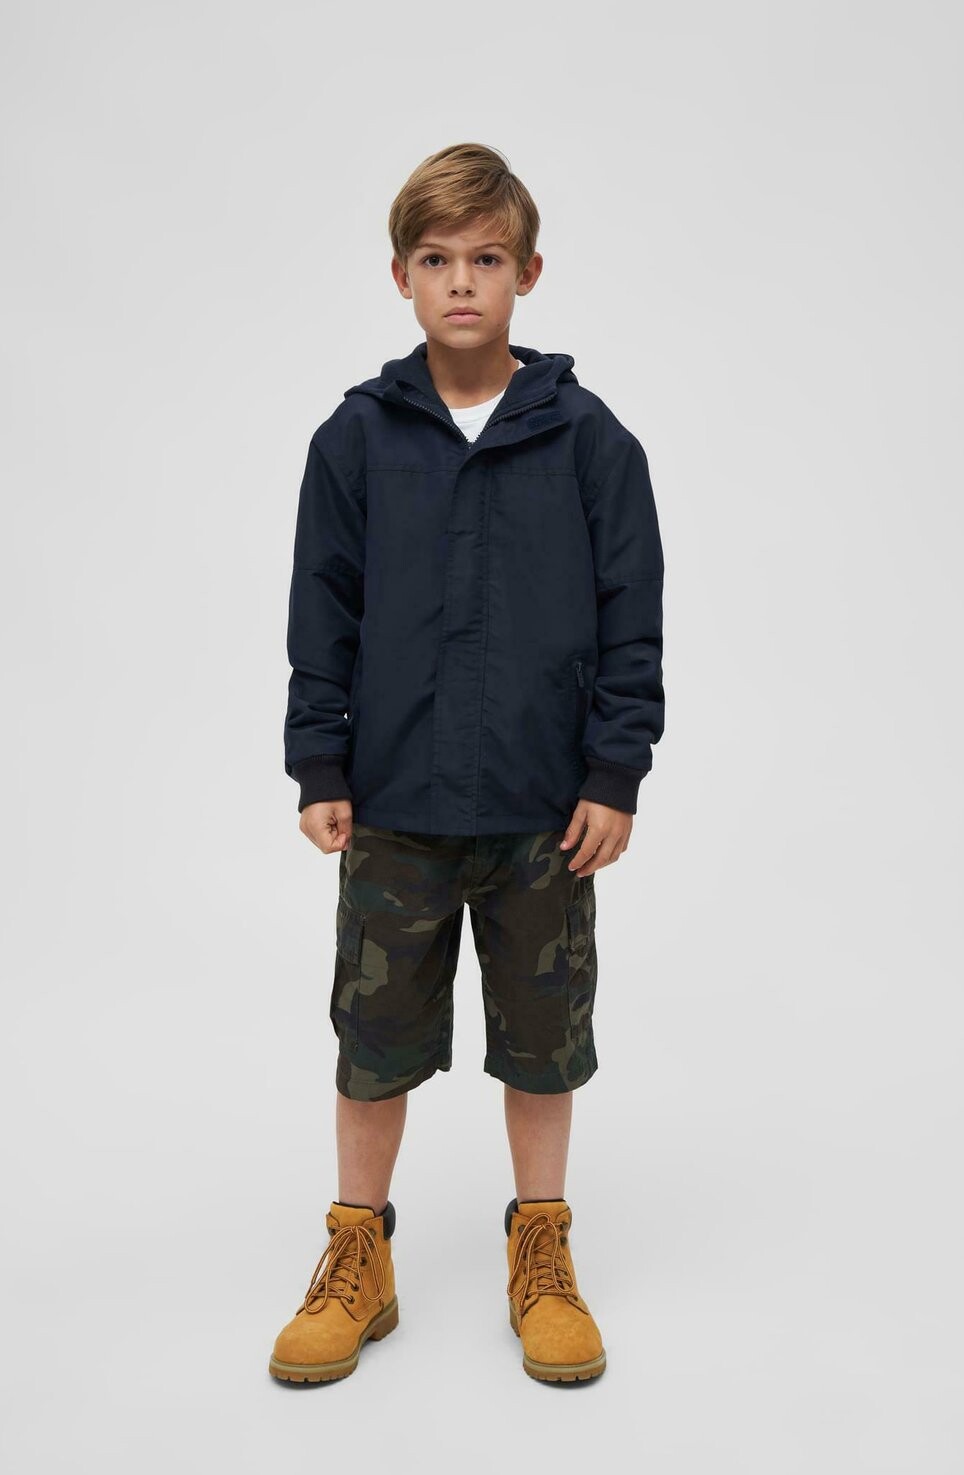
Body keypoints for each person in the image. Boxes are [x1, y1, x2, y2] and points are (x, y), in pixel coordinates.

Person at [268, 142, 665, 1386]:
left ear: (526, 273)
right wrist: (318, 760)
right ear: (400, 275)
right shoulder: (356, 439)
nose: (460, 282)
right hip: (394, 803)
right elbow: (322, 610)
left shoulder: (590, 442)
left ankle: (540, 1249)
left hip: (545, 814)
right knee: (372, 1040)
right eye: (435, 259)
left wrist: (613, 773)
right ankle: (358, 1252)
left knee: (543, 1043)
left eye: (485, 258)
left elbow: (632, 618)